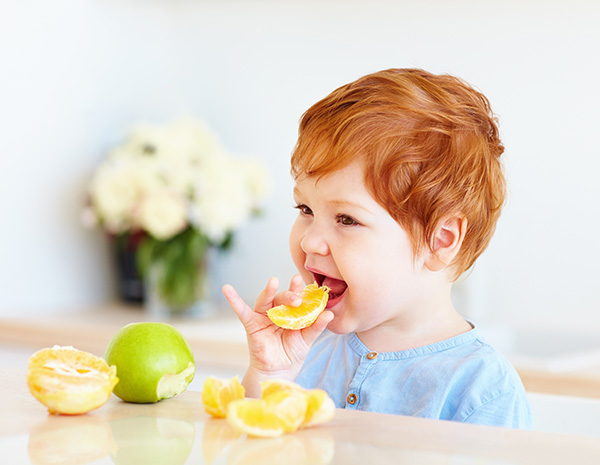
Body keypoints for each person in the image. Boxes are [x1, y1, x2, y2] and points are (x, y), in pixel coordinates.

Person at [222, 68, 533, 429]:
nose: (309, 241)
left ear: (441, 240)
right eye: (305, 210)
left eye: (347, 220)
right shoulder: (304, 353)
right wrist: (269, 376)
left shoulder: (481, 390)